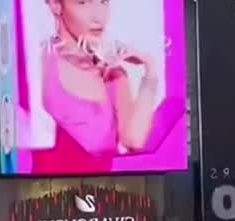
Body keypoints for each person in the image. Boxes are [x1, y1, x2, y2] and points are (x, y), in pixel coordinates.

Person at [35, 0, 159, 173]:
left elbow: (134, 141)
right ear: (56, 5)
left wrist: (150, 70)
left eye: (103, 2)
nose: (98, 17)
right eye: (83, 3)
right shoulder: (37, 63)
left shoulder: (113, 74)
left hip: (104, 191)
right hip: (44, 192)